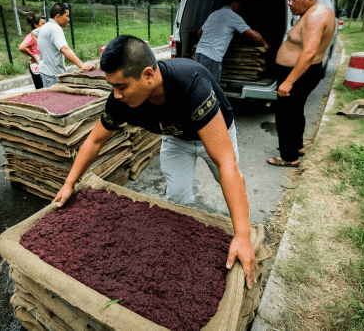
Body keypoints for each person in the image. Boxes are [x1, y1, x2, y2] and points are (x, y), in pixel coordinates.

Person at [52, 35, 258, 289]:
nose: (116, 95)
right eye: (112, 87)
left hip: (215, 133)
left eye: (122, 86)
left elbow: (225, 161)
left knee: (230, 178)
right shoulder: (121, 102)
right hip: (176, 139)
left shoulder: (190, 83)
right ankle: (181, 254)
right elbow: (95, 141)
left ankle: (244, 229)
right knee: (177, 199)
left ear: (148, 75)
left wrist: (243, 235)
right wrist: (69, 182)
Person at [267, 0, 336, 168]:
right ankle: (296, 147)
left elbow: (309, 52)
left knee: (286, 115)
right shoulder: (318, 11)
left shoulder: (315, 16)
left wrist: (289, 81)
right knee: (295, 111)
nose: (290, 3)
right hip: (304, 72)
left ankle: (289, 157)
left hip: (299, 73)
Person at [195, 0, 270, 83]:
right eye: (239, 3)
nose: (238, 6)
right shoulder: (232, 16)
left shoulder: (214, 14)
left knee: (200, 83)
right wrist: (265, 44)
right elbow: (253, 35)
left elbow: (199, 32)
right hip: (212, 57)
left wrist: (205, 44)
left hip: (199, 54)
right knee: (211, 87)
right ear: (235, 2)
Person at [33, 3, 94, 87]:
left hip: (45, 72)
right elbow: (65, 49)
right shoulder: (55, 29)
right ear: (58, 16)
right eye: (66, 16)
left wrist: (43, 46)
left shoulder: (46, 26)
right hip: (54, 75)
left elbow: (33, 33)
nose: (68, 19)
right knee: (56, 99)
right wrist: (82, 65)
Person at [19, 14, 45, 89]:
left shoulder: (42, 35)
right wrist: (33, 57)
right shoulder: (31, 37)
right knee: (41, 90)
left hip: (44, 65)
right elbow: (21, 47)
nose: (44, 25)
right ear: (36, 25)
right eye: (42, 23)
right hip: (37, 66)